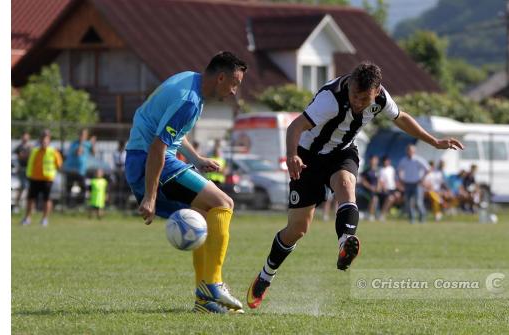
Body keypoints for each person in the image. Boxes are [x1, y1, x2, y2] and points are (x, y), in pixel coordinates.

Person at [246, 62, 464, 309]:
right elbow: (295, 127)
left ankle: (345, 242)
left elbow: (400, 118)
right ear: (349, 85)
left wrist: (434, 141)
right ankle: (265, 275)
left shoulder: (380, 98)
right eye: (355, 96)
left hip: (342, 153)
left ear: (377, 90)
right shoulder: (330, 99)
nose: (359, 103)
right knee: (297, 229)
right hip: (308, 158)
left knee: (347, 185)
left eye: (364, 98)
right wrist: (291, 155)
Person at [124, 51, 248, 314]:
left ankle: (204, 302)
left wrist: (196, 158)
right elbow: (158, 147)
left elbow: (169, 133)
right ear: (221, 78)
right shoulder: (189, 101)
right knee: (224, 203)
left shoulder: (190, 81)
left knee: (204, 213)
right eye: (234, 84)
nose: (235, 92)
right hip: (151, 159)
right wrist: (150, 195)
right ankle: (213, 284)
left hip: (145, 157)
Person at [21, 131, 63, 227]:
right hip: (35, 178)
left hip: (47, 179)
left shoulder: (53, 152)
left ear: (49, 141)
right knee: (30, 199)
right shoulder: (35, 151)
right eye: (42, 140)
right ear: (40, 140)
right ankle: (27, 218)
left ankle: (44, 219)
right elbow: (30, 163)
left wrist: (53, 173)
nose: (44, 142)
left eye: (46, 140)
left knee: (46, 199)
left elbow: (59, 165)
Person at [397, 144, 431, 224]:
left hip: (417, 184)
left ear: (414, 151)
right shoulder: (404, 160)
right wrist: (401, 179)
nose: (409, 152)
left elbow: (428, 169)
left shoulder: (418, 160)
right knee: (408, 202)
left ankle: (422, 218)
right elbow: (399, 170)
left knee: (418, 202)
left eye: (411, 151)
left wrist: (422, 179)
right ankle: (412, 219)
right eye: (408, 150)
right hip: (407, 183)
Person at [63, 129, 94, 209]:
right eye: (81, 135)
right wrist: (81, 143)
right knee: (69, 188)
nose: (82, 136)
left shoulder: (88, 144)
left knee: (83, 188)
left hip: (81, 170)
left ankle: (80, 204)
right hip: (71, 170)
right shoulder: (74, 143)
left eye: (84, 135)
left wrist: (93, 144)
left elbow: (93, 153)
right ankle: (68, 205)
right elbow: (78, 152)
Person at [377, 156, 401, 221]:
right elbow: (381, 181)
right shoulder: (381, 170)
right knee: (390, 199)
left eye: (387, 161)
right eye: (385, 161)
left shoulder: (392, 169)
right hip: (386, 189)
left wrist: (398, 186)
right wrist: (384, 188)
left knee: (398, 196)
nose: (386, 162)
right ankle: (382, 214)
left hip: (393, 188)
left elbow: (394, 179)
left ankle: (392, 211)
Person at [13, 132, 32, 213]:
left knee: (30, 188)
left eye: (26, 137)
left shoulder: (31, 147)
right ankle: (17, 205)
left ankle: (30, 207)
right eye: (24, 137)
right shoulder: (19, 147)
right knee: (23, 187)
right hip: (22, 169)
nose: (25, 139)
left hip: (30, 169)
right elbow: (20, 156)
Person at [359, 156, 381, 221]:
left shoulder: (377, 170)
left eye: (375, 160)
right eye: (372, 160)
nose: (374, 162)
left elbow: (379, 180)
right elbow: (363, 181)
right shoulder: (366, 170)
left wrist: (378, 187)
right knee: (374, 199)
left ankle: (379, 215)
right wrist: (370, 187)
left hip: (375, 191)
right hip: (366, 191)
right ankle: (370, 215)